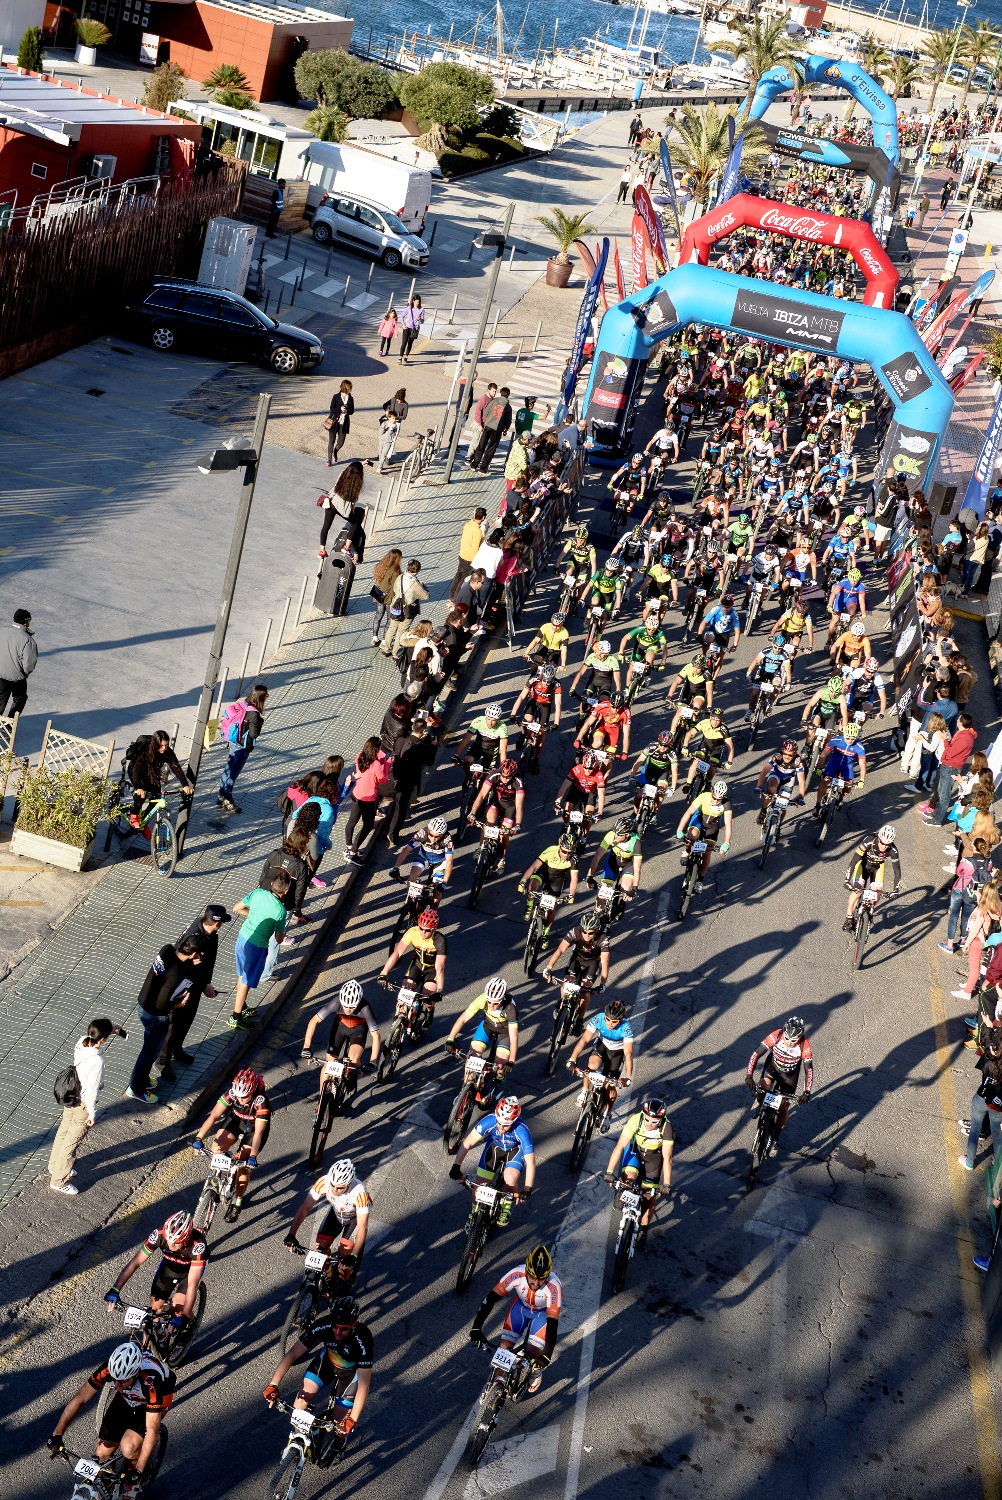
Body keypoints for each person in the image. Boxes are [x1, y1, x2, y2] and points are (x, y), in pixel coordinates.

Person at [47, 1341, 175, 1490]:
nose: (116, 1385)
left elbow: (152, 1430)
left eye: (121, 1381)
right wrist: (57, 1434)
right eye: (114, 1379)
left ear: (134, 1374)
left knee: (129, 1446)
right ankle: (109, 1487)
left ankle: (133, 1482)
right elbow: (80, 1398)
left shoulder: (151, 1381)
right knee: (102, 1454)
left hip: (156, 1397)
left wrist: (139, 1470)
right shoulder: (110, 1369)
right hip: (129, 1396)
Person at [264, 1294, 373, 1453]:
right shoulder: (323, 1325)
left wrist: (352, 1419)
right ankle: (298, 1440)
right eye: (335, 1326)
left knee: (340, 1424)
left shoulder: (363, 1338)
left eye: (344, 1329)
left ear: (353, 1325)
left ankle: (338, 1445)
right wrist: (273, 1384)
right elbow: (293, 1353)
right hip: (327, 1363)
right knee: (300, 1402)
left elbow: (364, 1384)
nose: (337, 1332)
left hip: (351, 1374)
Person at [468, 1245, 562, 1394]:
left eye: (541, 1280)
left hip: (542, 1314)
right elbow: (490, 1299)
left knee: (532, 1351)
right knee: (504, 1348)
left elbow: (552, 1325)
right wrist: (476, 1327)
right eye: (533, 1278)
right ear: (526, 1272)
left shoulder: (554, 1286)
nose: (536, 1284)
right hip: (520, 1308)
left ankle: (535, 1372)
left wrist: (546, 1355)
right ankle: (495, 1387)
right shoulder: (516, 1274)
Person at [48, 1017, 126, 1195]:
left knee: (63, 1132)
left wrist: (110, 1030)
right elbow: (91, 1091)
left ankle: (55, 1166)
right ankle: (59, 1180)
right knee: (71, 1143)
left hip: (71, 1096)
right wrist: (92, 1113)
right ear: (103, 1039)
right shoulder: (97, 1061)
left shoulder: (81, 1042)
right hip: (83, 1104)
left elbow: (94, 1035)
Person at [126, 936, 203, 1103]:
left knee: (150, 1048)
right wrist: (179, 1004)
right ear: (193, 954)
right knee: (149, 1052)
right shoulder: (175, 975)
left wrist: (190, 963)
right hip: (154, 1014)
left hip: (143, 1002)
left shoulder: (167, 949)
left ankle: (143, 1078)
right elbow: (162, 1004)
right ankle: (136, 1088)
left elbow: (172, 968)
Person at [156, 905, 228, 1080]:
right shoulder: (193, 937)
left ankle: (177, 1049)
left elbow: (207, 963)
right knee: (172, 1026)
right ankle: (162, 1061)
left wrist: (205, 984)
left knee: (187, 1020)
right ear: (217, 923)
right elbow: (179, 962)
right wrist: (199, 986)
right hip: (181, 989)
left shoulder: (210, 934)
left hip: (195, 985)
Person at [105, 1209, 207, 1328]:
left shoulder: (197, 1246)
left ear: (185, 1240)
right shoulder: (159, 1235)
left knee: (177, 1309)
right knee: (155, 1308)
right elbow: (135, 1262)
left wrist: (185, 1315)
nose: (171, 1245)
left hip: (189, 1272)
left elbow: (192, 1284)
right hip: (169, 1268)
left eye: (176, 1243)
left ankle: (190, 1322)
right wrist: (115, 1289)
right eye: (168, 1240)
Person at [192, 1068, 271, 1220]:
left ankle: (238, 1201)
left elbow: (259, 1133)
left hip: (254, 1129)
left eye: (244, 1097)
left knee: (243, 1167)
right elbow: (214, 1116)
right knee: (216, 1148)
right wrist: (198, 1137)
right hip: (236, 1120)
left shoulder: (260, 1101)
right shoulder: (232, 1093)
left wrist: (252, 1157)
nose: (240, 1100)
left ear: (252, 1092)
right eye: (238, 1096)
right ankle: (221, 1176)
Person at [449, 1095, 535, 1226]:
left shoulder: (522, 1130)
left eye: (505, 1125)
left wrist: (528, 1188)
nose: (501, 1127)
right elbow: (468, 1142)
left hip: (514, 1151)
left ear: (513, 1121)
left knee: (510, 1179)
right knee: (479, 1186)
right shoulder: (490, 1120)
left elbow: (531, 1162)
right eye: (499, 1123)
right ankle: (473, 1214)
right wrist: (456, 1165)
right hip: (495, 1147)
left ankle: (506, 1207)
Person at [604, 1095, 673, 1242]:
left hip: (653, 1159)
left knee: (649, 1198)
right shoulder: (636, 1119)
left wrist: (666, 1184)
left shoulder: (667, 1127)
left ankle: (643, 1230)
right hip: (635, 1152)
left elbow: (667, 1157)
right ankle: (623, 1191)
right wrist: (609, 1172)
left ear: (661, 1120)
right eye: (647, 1119)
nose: (649, 1124)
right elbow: (620, 1146)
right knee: (628, 1177)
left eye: (654, 1122)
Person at [227, 874, 290, 1030]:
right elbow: (279, 939)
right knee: (246, 980)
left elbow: (236, 908)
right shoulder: (280, 910)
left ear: (272, 884)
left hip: (242, 937)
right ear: (286, 890)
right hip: (256, 946)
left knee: (242, 975)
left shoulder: (258, 892)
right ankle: (236, 1017)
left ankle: (242, 1006)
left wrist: (254, 915)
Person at [567, 999, 634, 1130]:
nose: (610, 1024)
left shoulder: (626, 1027)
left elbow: (628, 1054)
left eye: (614, 1022)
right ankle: (584, 1091)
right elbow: (584, 1039)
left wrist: (627, 1077)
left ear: (620, 1020)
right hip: (602, 1046)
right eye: (608, 1019)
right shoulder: (599, 1018)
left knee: (610, 1085)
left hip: (617, 1053)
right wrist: (572, 1059)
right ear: (605, 1015)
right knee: (591, 1067)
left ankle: (607, 1114)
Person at [303, 981, 382, 1092]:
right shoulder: (336, 1002)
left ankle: (351, 1075)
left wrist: (373, 1062)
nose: (348, 1010)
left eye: (352, 1007)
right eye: (345, 1006)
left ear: (358, 1002)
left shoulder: (365, 1008)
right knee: (329, 1063)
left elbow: (376, 1036)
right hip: (341, 1026)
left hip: (358, 1029)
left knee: (353, 1060)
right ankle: (322, 1097)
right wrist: (306, 1047)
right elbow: (314, 1021)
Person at [746, 1016, 813, 1137]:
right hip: (773, 1067)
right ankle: (758, 1100)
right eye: (787, 1038)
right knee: (762, 1086)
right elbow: (756, 1054)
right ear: (784, 1033)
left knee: (784, 1107)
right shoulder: (776, 1035)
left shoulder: (805, 1045)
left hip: (789, 1075)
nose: (789, 1043)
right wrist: (749, 1075)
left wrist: (807, 1092)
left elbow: (809, 1070)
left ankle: (775, 1138)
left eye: (794, 1040)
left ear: (800, 1037)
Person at [446, 976, 519, 1069]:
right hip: (487, 1026)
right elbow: (463, 1019)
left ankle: (499, 1076)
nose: (491, 1006)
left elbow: (514, 1037)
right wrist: (450, 1039)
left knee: (500, 1067)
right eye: (489, 1002)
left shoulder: (510, 1008)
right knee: (471, 1059)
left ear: (502, 999)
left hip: (505, 1032)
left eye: (496, 1003)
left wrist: (511, 1061)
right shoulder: (482, 999)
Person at [217, 682, 268, 814]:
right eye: (266, 695)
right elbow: (253, 734)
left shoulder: (243, 704)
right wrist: (260, 723)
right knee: (233, 773)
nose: (267, 697)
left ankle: (221, 794)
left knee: (228, 768)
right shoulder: (254, 714)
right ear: (261, 697)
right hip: (243, 746)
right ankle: (227, 799)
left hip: (234, 741)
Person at [124, 729, 192, 828]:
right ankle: (134, 815)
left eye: (166, 745)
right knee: (141, 795)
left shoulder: (168, 752)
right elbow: (136, 769)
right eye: (161, 745)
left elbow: (176, 767)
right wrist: (138, 787)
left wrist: (185, 784)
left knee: (157, 797)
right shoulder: (145, 750)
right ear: (155, 744)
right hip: (136, 770)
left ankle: (144, 823)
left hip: (151, 772)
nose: (164, 748)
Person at [342, 737, 392, 863]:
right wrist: (386, 764)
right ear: (377, 749)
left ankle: (349, 847)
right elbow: (383, 780)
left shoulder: (360, 756)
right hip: (368, 799)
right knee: (368, 825)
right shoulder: (376, 764)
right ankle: (353, 852)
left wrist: (380, 761)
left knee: (352, 821)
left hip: (356, 794)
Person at [843, 825, 901, 929]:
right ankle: (849, 917)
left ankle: (869, 912)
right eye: (883, 843)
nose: (885, 846)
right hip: (862, 865)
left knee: (877, 893)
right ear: (879, 839)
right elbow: (854, 861)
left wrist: (896, 889)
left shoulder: (893, 850)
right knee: (857, 891)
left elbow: (897, 871)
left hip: (877, 868)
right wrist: (847, 880)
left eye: (888, 844)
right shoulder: (869, 841)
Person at [676, 777, 732, 880]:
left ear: (723, 797)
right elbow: (689, 812)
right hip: (699, 820)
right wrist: (680, 829)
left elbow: (728, 824)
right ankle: (687, 851)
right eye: (714, 797)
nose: (715, 801)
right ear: (712, 793)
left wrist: (726, 842)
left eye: (719, 799)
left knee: (707, 853)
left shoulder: (726, 804)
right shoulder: (703, 796)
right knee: (691, 836)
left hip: (712, 826)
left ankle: (700, 879)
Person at [381, 558, 429, 659]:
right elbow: (426, 596)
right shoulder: (415, 584)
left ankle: (386, 648)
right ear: (417, 571)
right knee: (401, 631)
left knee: (392, 628)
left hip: (396, 606)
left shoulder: (400, 576)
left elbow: (395, 589)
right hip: (408, 610)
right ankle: (396, 653)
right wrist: (425, 588)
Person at [814, 720, 866, 812]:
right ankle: (818, 804)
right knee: (824, 781)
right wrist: (819, 767)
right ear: (844, 735)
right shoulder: (836, 740)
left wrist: (862, 779)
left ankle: (840, 797)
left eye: (853, 738)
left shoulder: (859, 747)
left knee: (848, 787)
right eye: (848, 738)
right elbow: (824, 754)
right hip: (834, 763)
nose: (850, 741)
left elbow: (862, 764)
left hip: (847, 766)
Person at [318, 460, 365, 559]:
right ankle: (346, 547)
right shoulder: (356, 484)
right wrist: (352, 511)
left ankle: (322, 550)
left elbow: (351, 470)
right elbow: (353, 501)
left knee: (326, 526)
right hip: (342, 509)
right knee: (355, 522)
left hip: (331, 503)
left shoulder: (343, 475)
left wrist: (360, 464)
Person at [0, 606, 37, 717]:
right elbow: (29, 665)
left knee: (0, 698)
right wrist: (24, 672)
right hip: (17, 678)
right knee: (20, 698)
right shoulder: (28, 640)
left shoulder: (2, 632)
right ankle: (10, 723)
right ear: (25, 622)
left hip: (0, 675)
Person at [470, 386, 512, 473]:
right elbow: (508, 421)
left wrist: (488, 420)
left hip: (488, 426)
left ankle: (474, 464)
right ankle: (483, 468)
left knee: (481, 445)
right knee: (491, 449)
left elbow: (485, 412)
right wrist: (506, 429)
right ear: (508, 395)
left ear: (500, 393)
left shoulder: (494, 402)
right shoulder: (508, 407)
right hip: (498, 429)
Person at [450, 506, 488, 600]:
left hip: (462, 554)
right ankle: (456, 599)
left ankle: (451, 596)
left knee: (458, 576)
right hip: (469, 559)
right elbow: (475, 549)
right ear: (483, 517)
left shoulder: (468, 524)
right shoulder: (477, 531)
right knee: (463, 580)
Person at [325, 380, 354, 466]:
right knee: (331, 441)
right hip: (334, 422)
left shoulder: (350, 398)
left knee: (341, 442)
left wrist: (347, 411)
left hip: (344, 423)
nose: (350, 389)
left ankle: (335, 451)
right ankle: (329, 459)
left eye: (350, 387)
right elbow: (332, 408)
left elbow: (352, 411)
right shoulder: (336, 397)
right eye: (349, 387)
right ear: (344, 387)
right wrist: (339, 409)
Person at [399, 293, 424, 363]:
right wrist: (403, 324)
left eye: (418, 302)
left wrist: (420, 319)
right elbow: (402, 316)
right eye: (416, 302)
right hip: (407, 327)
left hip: (414, 329)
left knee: (410, 343)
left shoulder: (421, 309)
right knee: (404, 343)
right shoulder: (409, 308)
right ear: (413, 301)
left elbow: (422, 321)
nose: (417, 303)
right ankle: (400, 358)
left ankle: (406, 357)